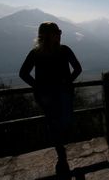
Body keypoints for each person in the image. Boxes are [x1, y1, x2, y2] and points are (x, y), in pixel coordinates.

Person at [19, 22, 82, 152]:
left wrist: (38, 86)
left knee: (54, 122)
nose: (59, 35)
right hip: (59, 93)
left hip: (47, 94)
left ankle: (60, 148)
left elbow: (23, 74)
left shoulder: (36, 53)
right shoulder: (64, 50)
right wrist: (67, 82)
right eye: (57, 33)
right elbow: (78, 69)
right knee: (61, 121)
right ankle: (60, 149)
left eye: (60, 32)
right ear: (48, 35)